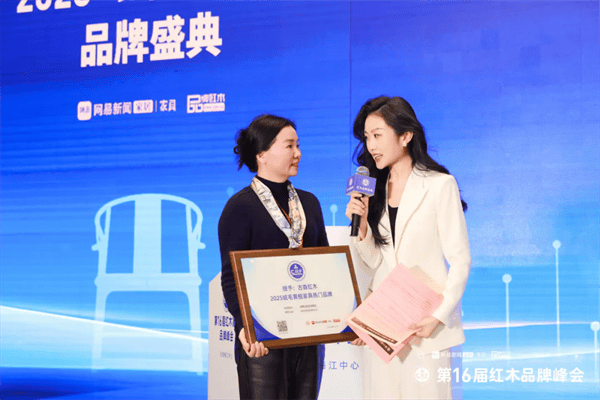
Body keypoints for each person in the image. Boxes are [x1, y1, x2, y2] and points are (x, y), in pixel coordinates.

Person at [345, 96, 470, 399]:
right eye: (366, 137)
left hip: (426, 325)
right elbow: (375, 262)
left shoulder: (440, 185)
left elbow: (460, 260)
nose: (371, 145)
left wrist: (438, 316)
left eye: (377, 135)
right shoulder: (372, 190)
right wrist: (362, 229)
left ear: (405, 136)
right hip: (384, 327)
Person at [219, 114, 328, 400]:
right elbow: (231, 277)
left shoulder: (310, 203)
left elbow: (325, 264)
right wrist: (246, 327)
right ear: (262, 154)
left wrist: (339, 319)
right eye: (289, 146)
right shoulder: (240, 206)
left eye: (298, 145)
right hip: (263, 337)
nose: (298, 153)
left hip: (308, 334)